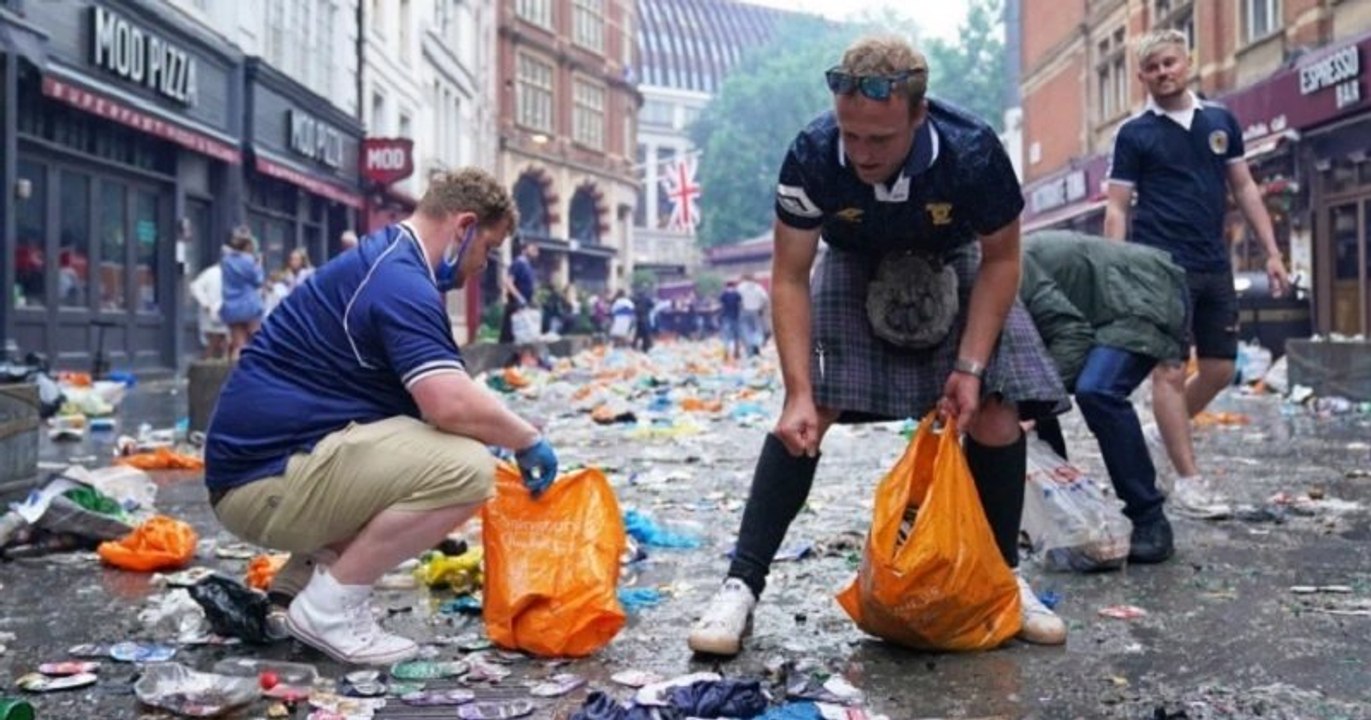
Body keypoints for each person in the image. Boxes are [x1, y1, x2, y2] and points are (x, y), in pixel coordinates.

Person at [687, 34, 1069, 657]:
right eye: (851, 134)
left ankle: (1002, 583)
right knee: (804, 423)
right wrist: (798, 392)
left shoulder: (973, 152)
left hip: (957, 257)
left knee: (997, 412)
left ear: (919, 114)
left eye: (880, 140)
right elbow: (787, 275)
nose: (861, 153)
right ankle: (740, 587)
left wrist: (971, 368)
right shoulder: (813, 154)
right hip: (853, 260)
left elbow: (1002, 260)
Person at [204, 168, 558, 665]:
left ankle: (292, 596)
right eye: (489, 249)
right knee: (466, 469)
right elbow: (447, 403)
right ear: (464, 227)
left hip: (258, 472)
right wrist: (525, 439)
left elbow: (425, 410)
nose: (485, 265)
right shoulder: (400, 281)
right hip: (262, 483)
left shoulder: (387, 261)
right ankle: (328, 611)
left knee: (420, 457)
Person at [1104, 29, 1290, 518]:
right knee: (1167, 370)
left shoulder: (1220, 121)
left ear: (1187, 62)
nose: (1163, 73)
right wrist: (1113, 267)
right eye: (1152, 68)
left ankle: (1160, 432)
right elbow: (1118, 207)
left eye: (1170, 63)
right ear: (1142, 77)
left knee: (1220, 369)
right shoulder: (1134, 133)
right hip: (1160, 266)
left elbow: (1246, 188)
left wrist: (1271, 252)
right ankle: (1189, 483)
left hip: (1213, 261)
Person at [1019, 230, 1189, 563]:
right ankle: (1063, 513)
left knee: (1097, 391)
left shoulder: (1007, 270)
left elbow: (1071, 333)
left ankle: (1150, 519)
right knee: (1024, 396)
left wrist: (1028, 407)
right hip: (1106, 301)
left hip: (1142, 292)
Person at [219, 227, 265, 363]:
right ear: (247, 245)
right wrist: (259, 264)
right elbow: (258, 281)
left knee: (239, 345)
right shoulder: (249, 261)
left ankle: (236, 373)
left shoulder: (226, 261)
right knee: (257, 340)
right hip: (249, 305)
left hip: (231, 306)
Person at [188, 261, 227, 360]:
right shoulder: (212, 273)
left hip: (225, 312)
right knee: (215, 340)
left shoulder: (232, 274)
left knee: (221, 342)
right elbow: (196, 287)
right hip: (213, 313)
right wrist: (206, 304)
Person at [501, 243, 539, 343]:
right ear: (524, 250)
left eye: (536, 250)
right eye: (533, 249)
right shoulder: (518, 263)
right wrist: (519, 297)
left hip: (525, 304)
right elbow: (508, 282)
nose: (535, 252)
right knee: (510, 334)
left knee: (522, 335)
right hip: (515, 304)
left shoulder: (528, 266)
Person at [736, 273, 769, 356]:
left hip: (744, 310)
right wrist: (762, 307)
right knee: (756, 328)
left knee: (745, 329)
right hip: (756, 311)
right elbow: (765, 298)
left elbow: (736, 299)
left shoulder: (740, 287)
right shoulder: (758, 287)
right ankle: (756, 343)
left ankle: (749, 346)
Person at [719, 280, 743, 360]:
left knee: (726, 336)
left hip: (726, 317)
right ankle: (737, 353)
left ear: (726, 286)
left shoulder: (723, 295)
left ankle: (726, 352)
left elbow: (721, 305)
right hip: (736, 317)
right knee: (736, 336)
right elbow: (740, 305)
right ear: (734, 286)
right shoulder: (737, 294)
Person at [632, 286, 655, 352]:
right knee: (646, 334)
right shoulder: (647, 299)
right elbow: (652, 305)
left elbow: (634, 307)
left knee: (638, 334)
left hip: (638, 319)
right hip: (645, 318)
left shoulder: (636, 299)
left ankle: (634, 346)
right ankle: (646, 347)